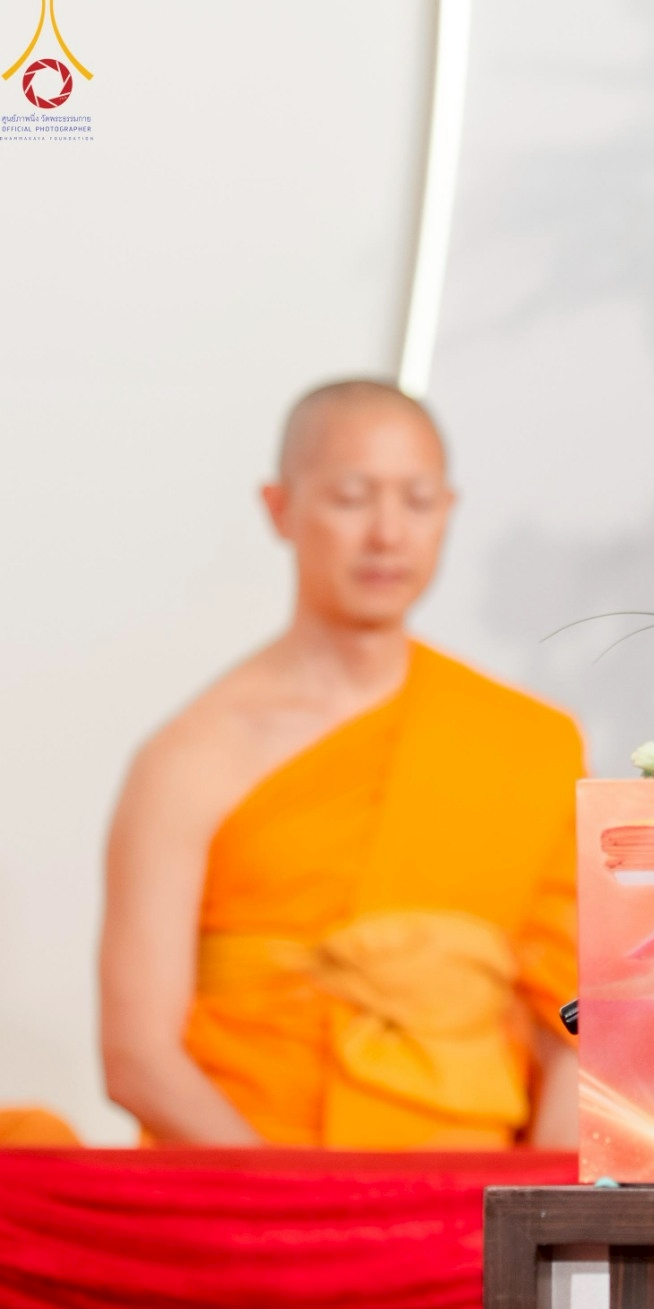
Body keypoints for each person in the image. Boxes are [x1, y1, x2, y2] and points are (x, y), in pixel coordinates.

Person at [100, 381, 583, 1150]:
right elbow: (138, 1058)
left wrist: (540, 1200)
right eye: (352, 498)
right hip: (245, 1184)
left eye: (417, 501)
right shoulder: (188, 759)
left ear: (448, 510)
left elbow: (573, 1016)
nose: (388, 534)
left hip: (468, 1192)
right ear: (280, 508)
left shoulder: (533, 742)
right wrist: (292, 1203)